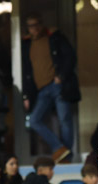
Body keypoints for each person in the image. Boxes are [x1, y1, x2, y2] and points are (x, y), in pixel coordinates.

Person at [21, 14, 80, 162]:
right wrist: (27, 95)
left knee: (64, 119)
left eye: (36, 24)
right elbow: (25, 70)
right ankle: (60, 148)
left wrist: (61, 76)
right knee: (34, 120)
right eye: (31, 26)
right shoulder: (26, 44)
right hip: (41, 89)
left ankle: (66, 157)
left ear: (41, 24)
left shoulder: (54, 37)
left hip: (57, 85)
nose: (34, 28)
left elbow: (70, 56)